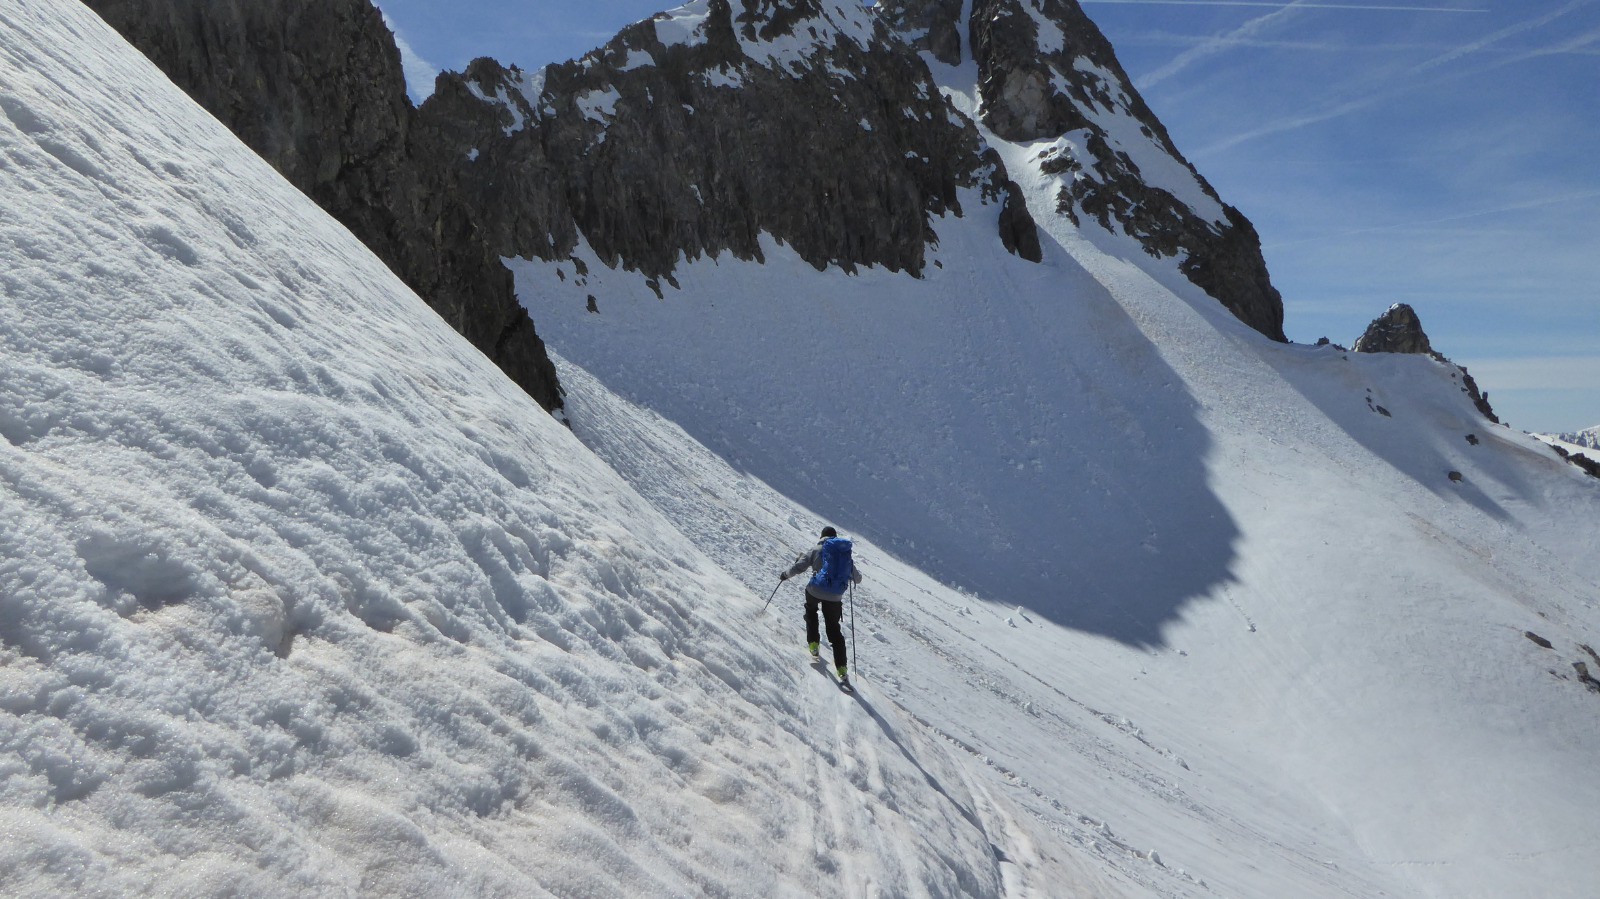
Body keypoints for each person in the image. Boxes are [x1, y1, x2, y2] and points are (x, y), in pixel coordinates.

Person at [779, 526, 862, 683]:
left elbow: (799, 567)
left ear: (822, 536)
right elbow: (857, 578)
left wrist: (785, 575)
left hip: (815, 590)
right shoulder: (843, 555)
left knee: (811, 612)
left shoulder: (816, 549)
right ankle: (842, 669)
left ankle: (814, 644)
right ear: (835, 538)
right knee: (834, 630)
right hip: (835, 597)